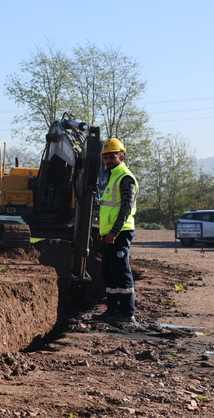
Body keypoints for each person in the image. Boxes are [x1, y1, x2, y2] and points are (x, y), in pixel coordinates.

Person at [94, 138, 139, 324]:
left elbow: (125, 209)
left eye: (112, 157)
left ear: (123, 157)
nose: (108, 161)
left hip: (120, 233)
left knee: (121, 272)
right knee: (109, 273)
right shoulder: (113, 176)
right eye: (106, 158)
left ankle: (127, 314)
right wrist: (103, 231)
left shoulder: (125, 178)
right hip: (109, 234)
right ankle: (112, 311)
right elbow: (109, 209)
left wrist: (114, 231)